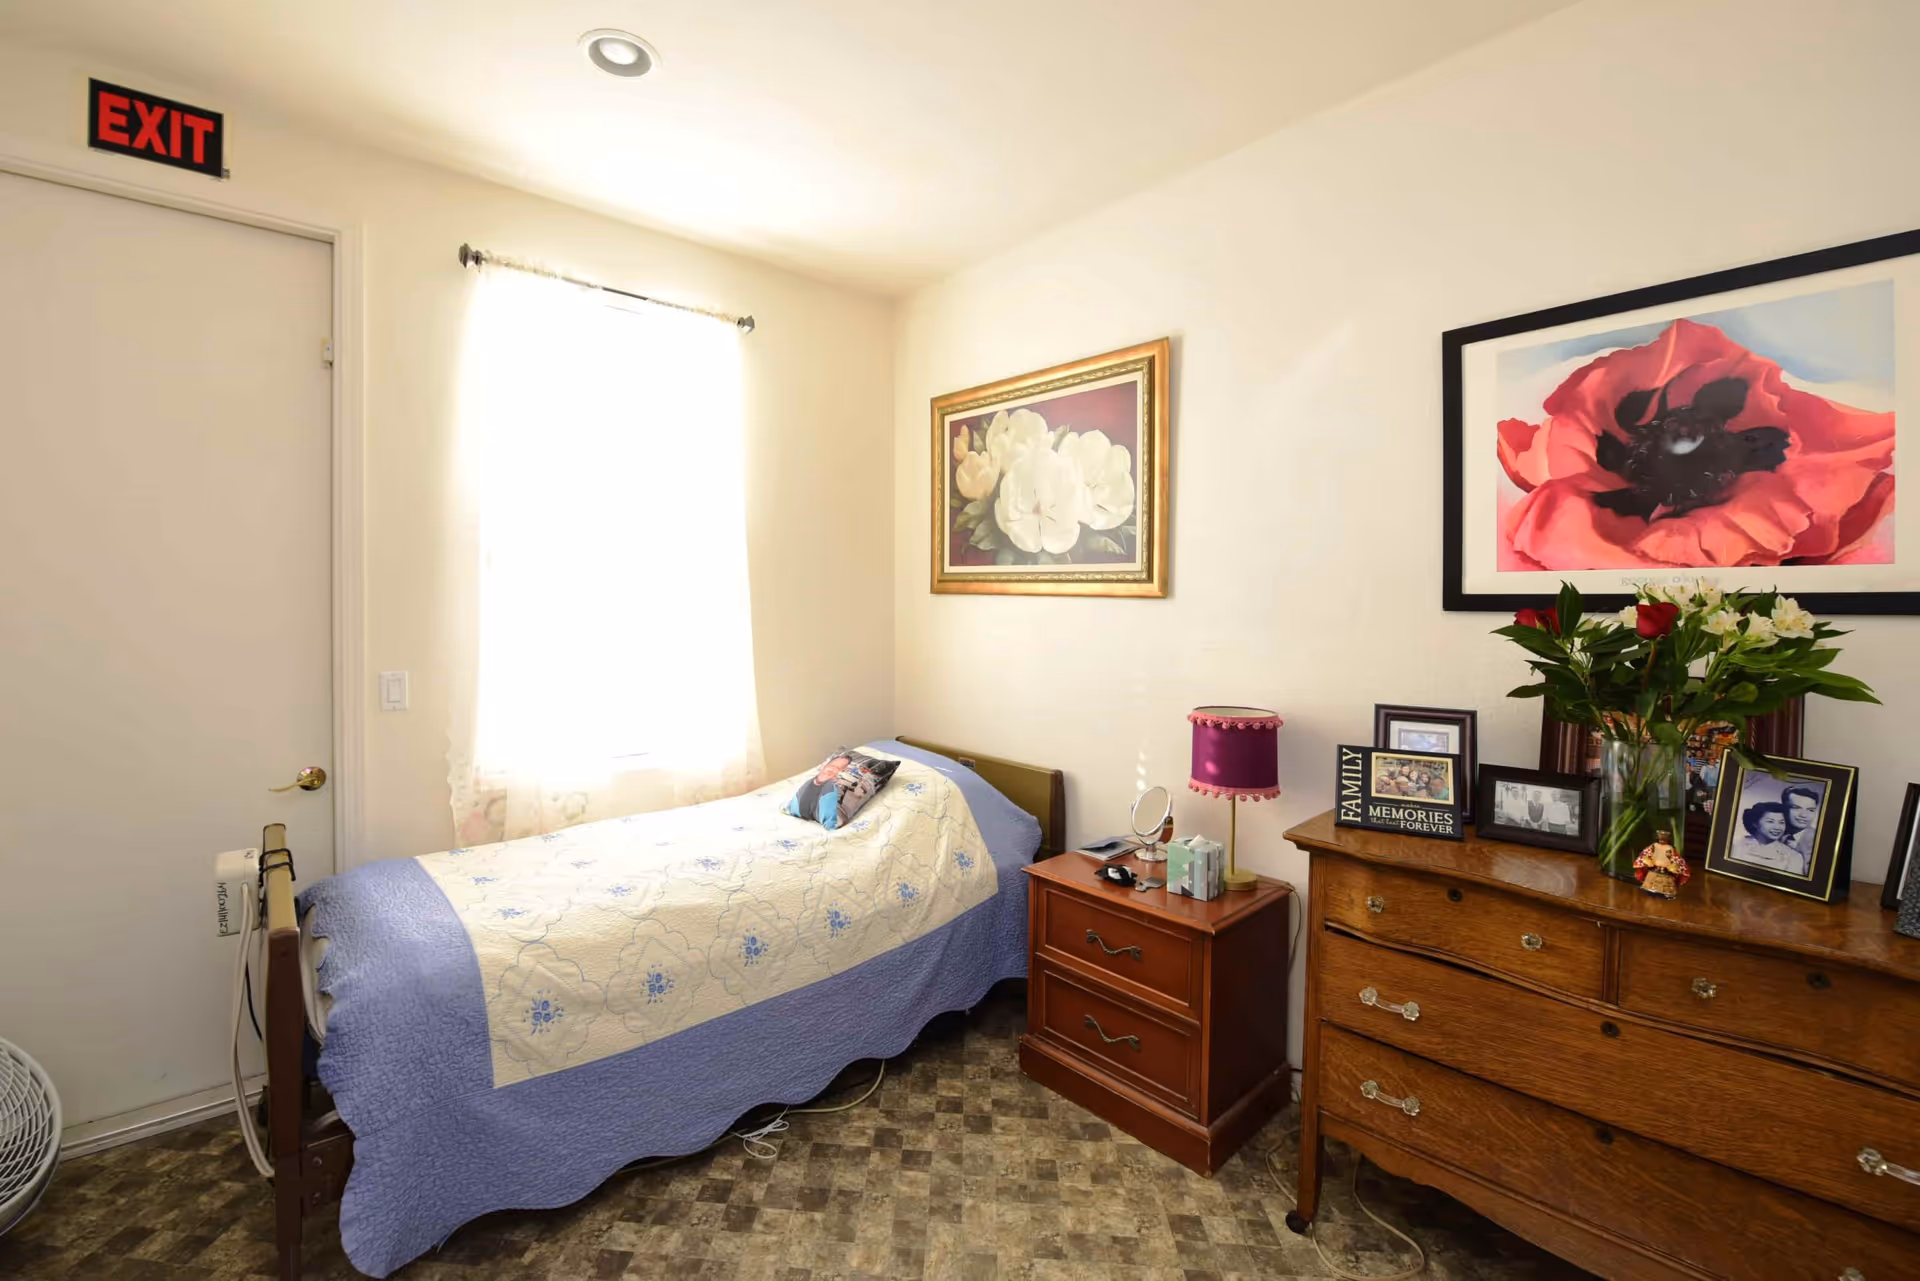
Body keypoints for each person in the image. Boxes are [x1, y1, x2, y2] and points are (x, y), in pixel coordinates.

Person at [1730, 800, 1809, 875]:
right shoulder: (1735, 845)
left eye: (1781, 822)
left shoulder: (1793, 857)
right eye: (1770, 821)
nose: (1777, 827)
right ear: (1755, 823)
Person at [1782, 785, 1822, 861]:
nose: (1803, 815)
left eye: (1810, 810)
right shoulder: (1772, 832)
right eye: (1796, 808)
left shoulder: (1819, 841)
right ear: (1783, 808)